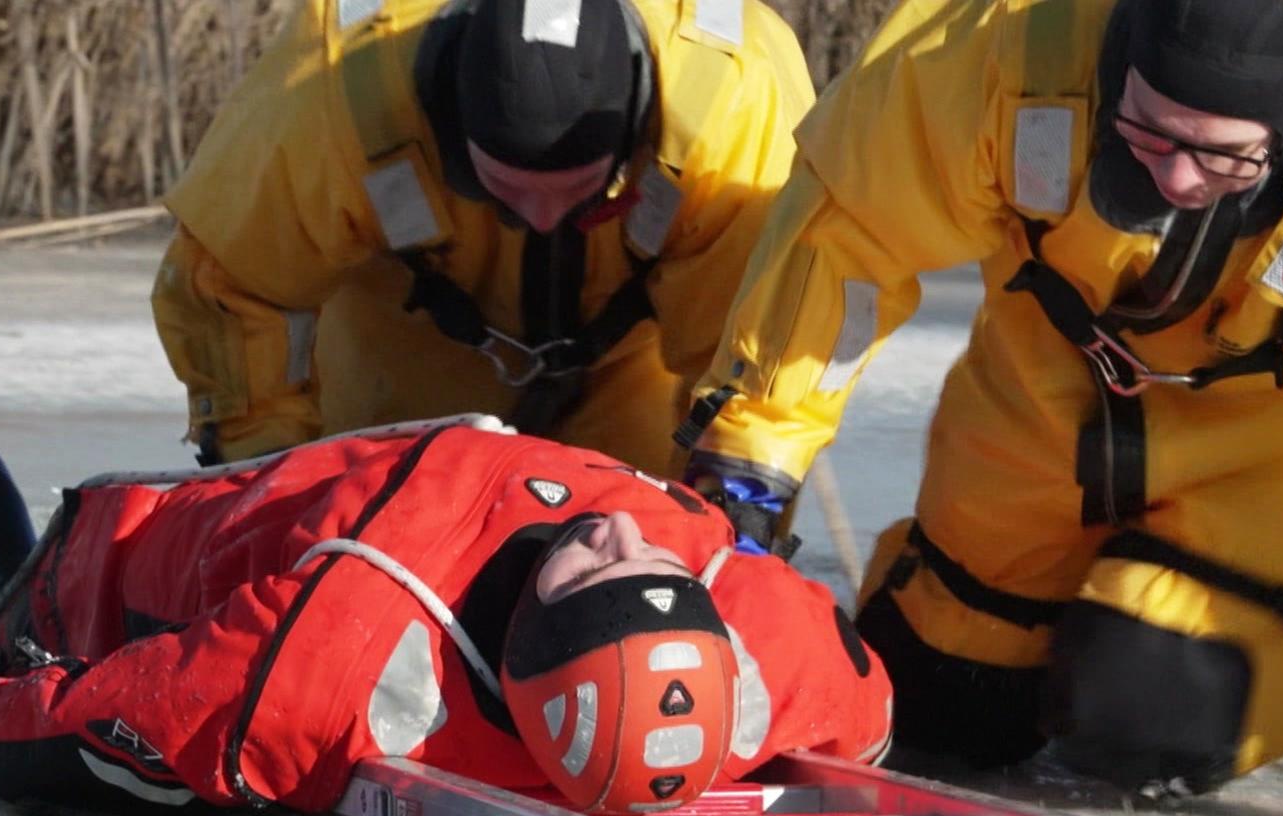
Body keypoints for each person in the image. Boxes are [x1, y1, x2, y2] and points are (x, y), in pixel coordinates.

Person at [677, 0, 1283, 795]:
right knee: (924, 710)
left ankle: (1179, 700)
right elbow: (844, 237)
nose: (1176, 176)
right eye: (1149, 132)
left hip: (1261, 465)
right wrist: (753, 464)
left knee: (1147, 695)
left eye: (1223, 157)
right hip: (1029, 439)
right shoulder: (1007, 53)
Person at [0, 418, 891, 816]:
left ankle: (17, 586)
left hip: (137, 552)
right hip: (395, 447)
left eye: (599, 570)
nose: (626, 535)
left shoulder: (330, 667)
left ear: (530, 643)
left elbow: (110, 727)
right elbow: (869, 708)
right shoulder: (762, 646)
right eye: (657, 570)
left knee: (65, 596)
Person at [151, 0, 814, 476]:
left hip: (628, 379)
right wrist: (272, 478)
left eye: (576, 192)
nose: (545, 217)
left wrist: (731, 486)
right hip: (399, 375)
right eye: (512, 189)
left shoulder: (733, 111)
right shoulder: (334, 94)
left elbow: (760, 338)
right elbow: (232, 288)